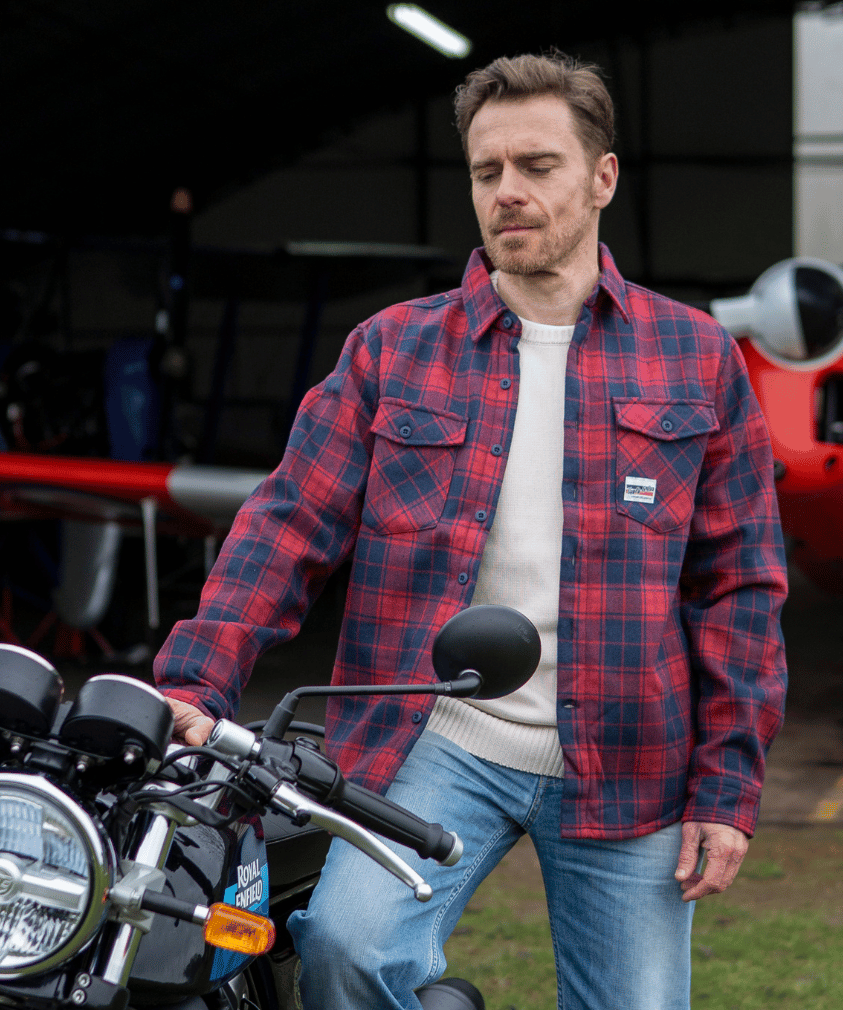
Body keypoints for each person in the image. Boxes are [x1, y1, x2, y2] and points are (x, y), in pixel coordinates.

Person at [154, 51, 787, 1010]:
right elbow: (286, 525)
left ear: (602, 177)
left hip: (631, 753)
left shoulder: (694, 357)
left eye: (538, 166)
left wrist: (726, 788)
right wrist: (198, 681)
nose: (509, 193)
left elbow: (739, 589)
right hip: (434, 739)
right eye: (488, 172)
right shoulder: (393, 349)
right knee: (345, 947)